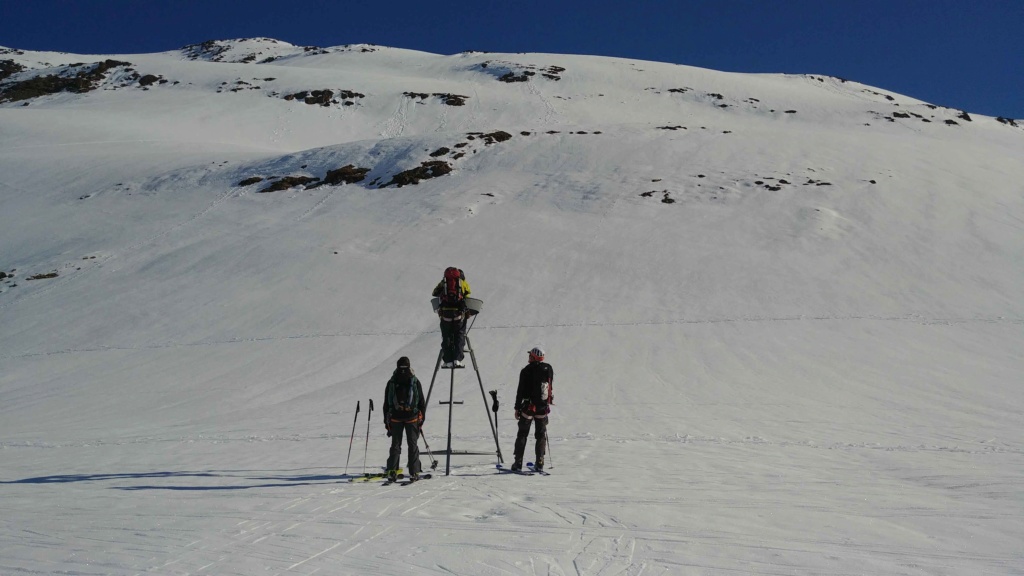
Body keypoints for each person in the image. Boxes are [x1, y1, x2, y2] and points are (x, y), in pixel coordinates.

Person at [383, 356, 426, 481]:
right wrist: (421, 420)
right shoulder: (414, 380)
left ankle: (392, 470)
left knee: (395, 445)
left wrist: (387, 421)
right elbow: (421, 402)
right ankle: (414, 472)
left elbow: (386, 403)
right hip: (412, 417)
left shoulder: (392, 381)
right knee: (412, 445)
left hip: (395, 417)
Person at [512, 346, 554, 471]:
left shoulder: (526, 370)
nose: (529, 357)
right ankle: (540, 461)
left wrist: (517, 407)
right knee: (541, 435)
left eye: (530, 355)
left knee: (522, 434)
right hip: (542, 407)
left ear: (534, 356)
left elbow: (520, 391)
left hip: (527, 407)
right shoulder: (548, 368)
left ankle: (518, 462)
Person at [432, 267, 471, 368]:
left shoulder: (444, 282)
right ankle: (457, 360)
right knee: (459, 335)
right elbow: (468, 296)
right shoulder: (463, 283)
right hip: (458, 314)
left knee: (446, 336)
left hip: (445, 313)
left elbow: (434, 293)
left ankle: (448, 361)